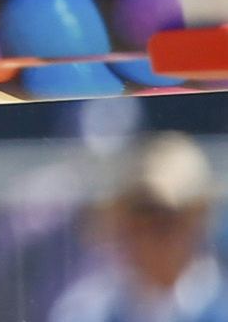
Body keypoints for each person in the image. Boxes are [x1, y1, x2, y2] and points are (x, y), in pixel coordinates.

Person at [49, 135, 228, 322]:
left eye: (164, 221)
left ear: (195, 221)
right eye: (137, 216)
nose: (147, 236)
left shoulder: (221, 308)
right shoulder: (86, 312)